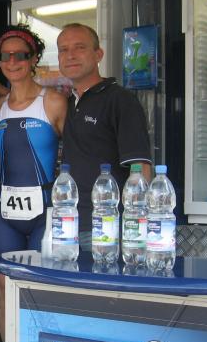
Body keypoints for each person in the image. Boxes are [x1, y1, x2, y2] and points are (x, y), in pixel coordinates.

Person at [0, 26, 66, 342]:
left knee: (42, 289)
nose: (13, 61)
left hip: (45, 211)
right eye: (6, 56)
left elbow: (77, 154)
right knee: (6, 289)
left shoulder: (53, 102)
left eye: (21, 55)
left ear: (33, 60)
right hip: (4, 212)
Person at [56, 23, 152, 246]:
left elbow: (140, 167)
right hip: (68, 224)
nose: (70, 55)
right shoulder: (66, 103)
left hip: (107, 228)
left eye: (80, 47)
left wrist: (135, 228)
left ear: (98, 54)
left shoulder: (120, 100)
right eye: (63, 49)